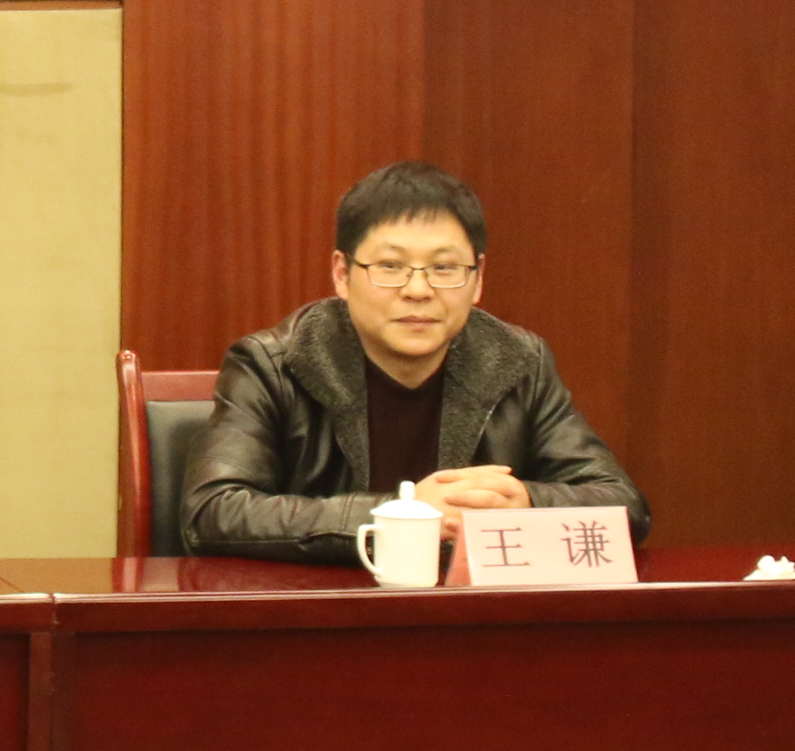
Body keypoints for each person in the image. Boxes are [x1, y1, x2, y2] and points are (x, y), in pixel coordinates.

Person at [178, 159, 648, 560]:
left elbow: (623, 506)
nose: (418, 290)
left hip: (466, 619)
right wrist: (401, 515)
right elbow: (212, 512)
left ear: (478, 278)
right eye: (390, 266)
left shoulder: (519, 362)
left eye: (444, 268)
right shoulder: (273, 364)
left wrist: (527, 502)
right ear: (342, 274)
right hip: (318, 617)